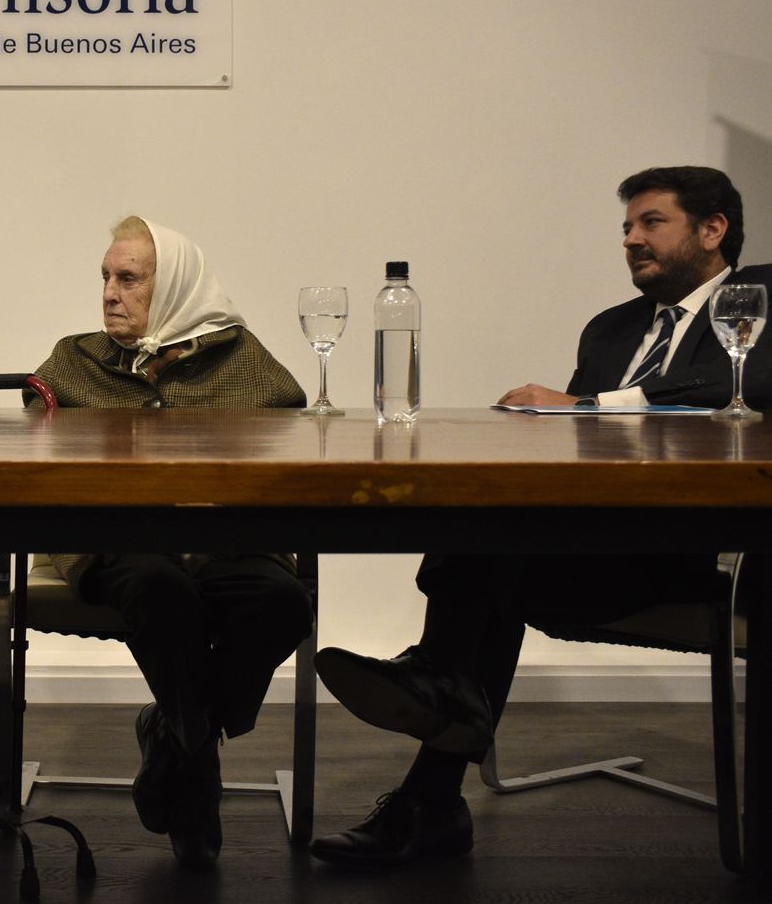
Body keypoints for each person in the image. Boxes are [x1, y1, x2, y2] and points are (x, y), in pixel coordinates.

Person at [310, 165, 772, 868]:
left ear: (714, 231)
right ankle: (438, 744)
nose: (632, 241)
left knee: (494, 562)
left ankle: (435, 743)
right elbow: (576, 448)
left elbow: (736, 392)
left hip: (706, 554)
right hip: (606, 547)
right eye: (626, 228)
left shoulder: (756, 301)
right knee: (490, 522)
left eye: (653, 223)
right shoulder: (612, 331)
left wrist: (590, 405)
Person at [28, 215, 315, 870]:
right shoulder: (73, 360)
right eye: (105, 277)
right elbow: (37, 451)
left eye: (128, 279)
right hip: (112, 544)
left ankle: (176, 734)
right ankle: (196, 771)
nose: (108, 292)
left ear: (177, 286)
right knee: (162, 590)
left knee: (284, 603)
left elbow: (287, 420)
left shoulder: (244, 363)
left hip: (227, 544)